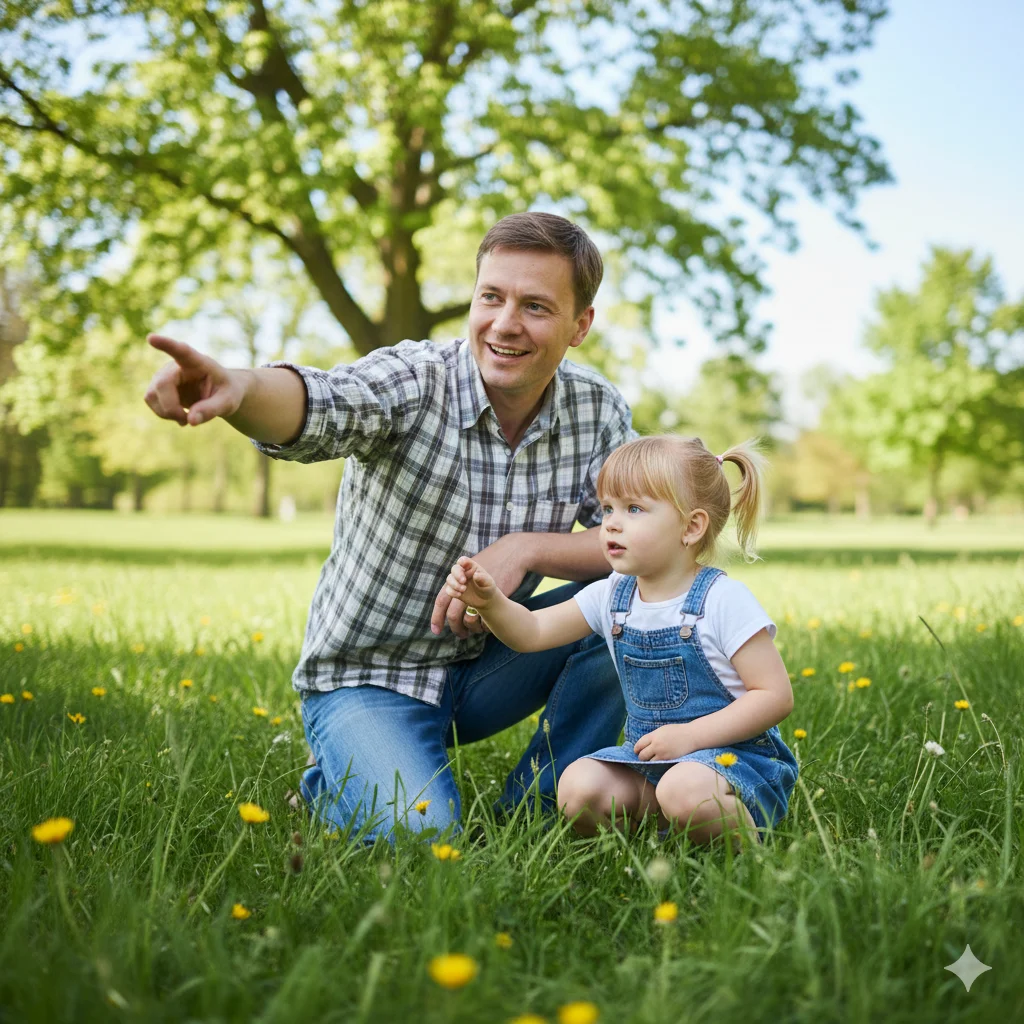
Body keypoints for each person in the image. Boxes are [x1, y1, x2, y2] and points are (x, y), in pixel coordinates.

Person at [143, 212, 635, 841]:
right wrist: (239, 389)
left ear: (580, 326)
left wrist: (526, 548)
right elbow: (322, 402)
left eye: (536, 306)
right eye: (491, 297)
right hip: (369, 676)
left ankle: (547, 807)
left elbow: (639, 538)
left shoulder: (596, 409)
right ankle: (338, 778)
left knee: (637, 600)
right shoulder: (414, 379)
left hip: (495, 658)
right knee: (419, 834)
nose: (505, 323)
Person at [443, 434, 799, 845]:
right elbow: (532, 633)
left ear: (691, 526)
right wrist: (490, 602)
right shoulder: (613, 594)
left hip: (733, 764)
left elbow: (774, 696)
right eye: (608, 507)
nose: (610, 522)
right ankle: (645, 853)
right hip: (650, 762)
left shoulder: (722, 599)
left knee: (683, 789)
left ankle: (748, 856)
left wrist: (691, 737)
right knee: (579, 785)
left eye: (634, 509)